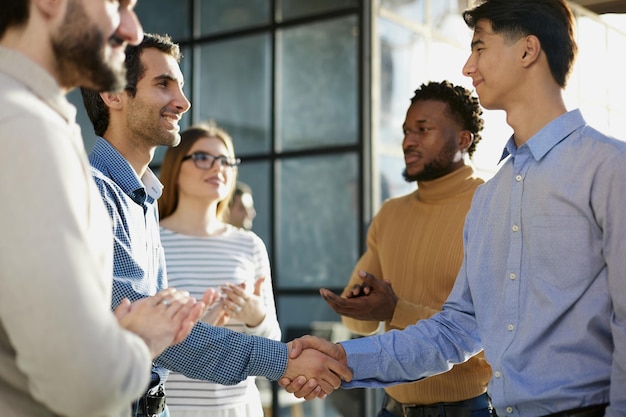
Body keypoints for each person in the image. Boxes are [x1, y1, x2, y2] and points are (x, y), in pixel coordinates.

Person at [284, 1, 626, 416]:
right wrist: (343, 357)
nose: (468, 66)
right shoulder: (490, 198)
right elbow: (457, 329)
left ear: (527, 50)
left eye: (480, 47)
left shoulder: (610, 168)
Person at [80, 32, 351, 417]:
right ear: (113, 94)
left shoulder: (141, 199)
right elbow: (146, 330)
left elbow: (157, 342)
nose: (183, 102)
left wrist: (195, 323)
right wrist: (285, 361)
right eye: (163, 84)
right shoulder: (94, 193)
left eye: (181, 86)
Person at [0, 1, 207, 417]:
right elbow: (86, 383)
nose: (131, 28)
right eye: (118, 4)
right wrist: (142, 339)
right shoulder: (26, 130)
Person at [321, 80, 492, 417]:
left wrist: (396, 311)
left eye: (423, 130)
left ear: (463, 139)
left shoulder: (489, 207)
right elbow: (360, 323)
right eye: (406, 131)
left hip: (466, 410)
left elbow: (487, 333)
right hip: (391, 409)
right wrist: (357, 307)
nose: (408, 141)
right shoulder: (391, 214)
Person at [158, 123, 280, 417]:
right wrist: (197, 332)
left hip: (238, 410)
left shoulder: (249, 245)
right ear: (176, 168)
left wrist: (256, 317)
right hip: (172, 409)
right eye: (203, 157)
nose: (217, 167)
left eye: (225, 160)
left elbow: (273, 345)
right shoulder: (150, 240)